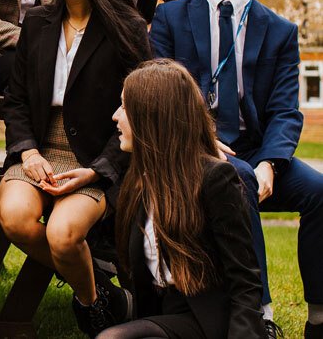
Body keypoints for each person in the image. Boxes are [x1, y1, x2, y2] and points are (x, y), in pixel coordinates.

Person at [149, 0, 323, 339]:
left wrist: (271, 163)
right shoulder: (172, 18)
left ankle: (319, 317)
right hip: (194, 151)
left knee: (319, 193)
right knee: (238, 179)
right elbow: (162, 92)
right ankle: (259, 314)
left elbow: (286, 110)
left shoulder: (280, 30)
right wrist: (202, 138)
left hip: (254, 151)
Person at [0, 0, 151, 337]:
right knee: (15, 219)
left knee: (65, 236)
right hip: (40, 149)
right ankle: (100, 294)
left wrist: (99, 170)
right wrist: (28, 151)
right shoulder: (37, 23)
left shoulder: (127, 30)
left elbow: (138, 111)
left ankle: (88, 307)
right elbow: (15, 101)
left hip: (96, 156)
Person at [99, 59, 266, 339]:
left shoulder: (215, 178)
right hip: (163, 312)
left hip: (209, 318)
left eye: (125, 106)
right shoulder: (140, 177)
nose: (115, 116)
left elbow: (245, 278)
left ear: (152, 114)